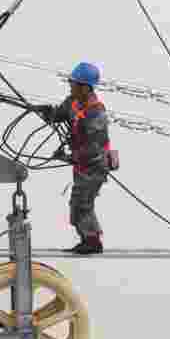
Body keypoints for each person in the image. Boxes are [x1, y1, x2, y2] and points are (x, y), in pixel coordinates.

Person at [33, 62, 114, 255]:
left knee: (82, 202)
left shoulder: (96, 113)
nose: (70, 86)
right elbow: (59, 115)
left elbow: (93, 149)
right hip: (83, 164)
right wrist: (48, 113)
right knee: (79, 201)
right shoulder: (73, 102)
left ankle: (92, 241)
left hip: (95, 165)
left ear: (86, 87)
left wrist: (68, 157)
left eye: (74, 83)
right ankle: (89, 239)